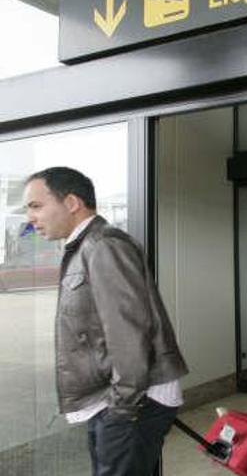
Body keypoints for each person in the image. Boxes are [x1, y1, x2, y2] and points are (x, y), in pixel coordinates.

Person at [23, 167, 188, 476]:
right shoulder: (85, 247)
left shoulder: (102, 246)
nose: (30, 217)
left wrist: (122, 407)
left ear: (71, 202)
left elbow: (129, 331)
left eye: (36, 205)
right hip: (120, 402)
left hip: (131, 403)